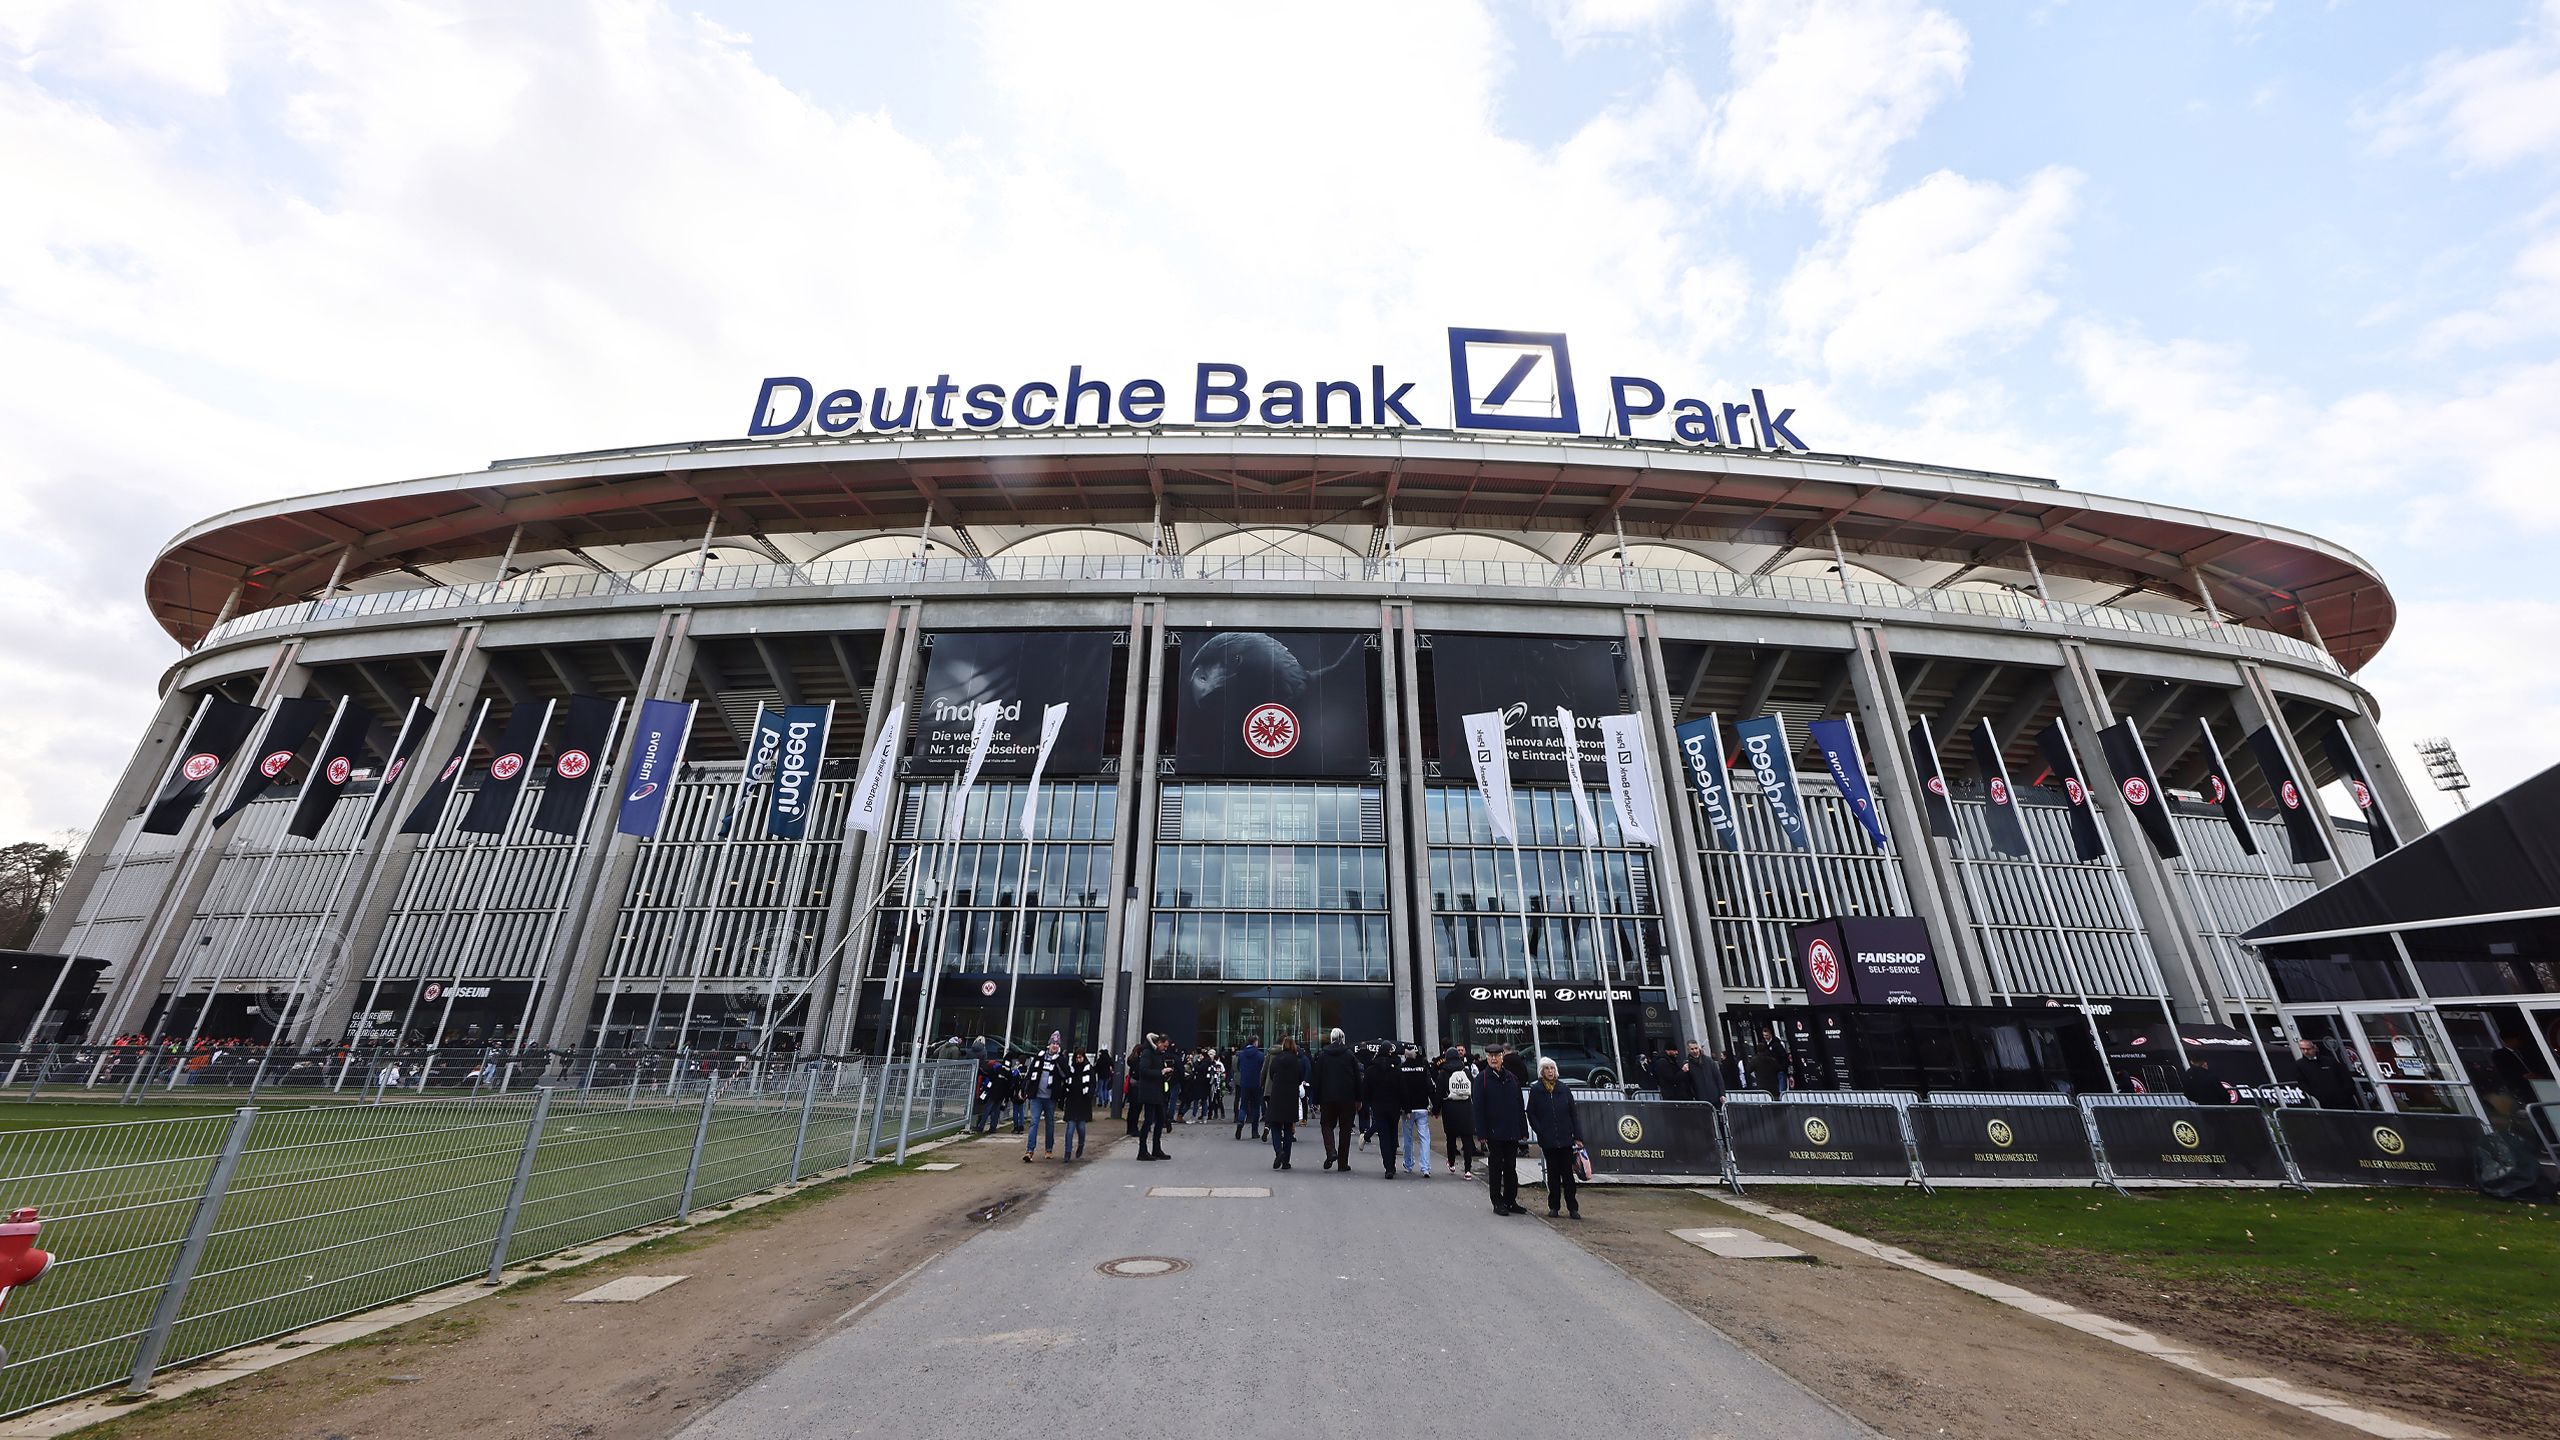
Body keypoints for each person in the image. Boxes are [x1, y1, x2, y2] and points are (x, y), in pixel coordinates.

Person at [1471, 1044, 1529, 1216]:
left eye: (1497, 1056)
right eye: (1490, 1056)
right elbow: (1478, 1109)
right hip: (1493, 1132)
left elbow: (1519, 1105)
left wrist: (1523, 1129)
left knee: (1511, 1166)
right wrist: (1481, 1133)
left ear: (1502, 1057)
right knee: (1496, 1167)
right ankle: (1497, 1201)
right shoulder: (1482, 1079)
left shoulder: (1511, 1078)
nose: (1494, 1059)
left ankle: (1511, 1200)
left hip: (1511, 1131)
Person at [1526, 1056, 1584, 1219]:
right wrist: (1540, 1130)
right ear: (1542, 1071)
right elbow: (1531, 1113)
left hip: (1565, 1138)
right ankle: (1554, 1206)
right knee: (1553, 1175)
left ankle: (1573, 1207)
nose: (1550, 1071)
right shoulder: (1537, 1090)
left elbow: (1573, 1113)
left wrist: (1578, 1136)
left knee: (1568, 1175)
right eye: (1547, 1068)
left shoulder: (1564, 1089)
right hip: (1548, 1139)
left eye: (1552, 1068)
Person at [1311, 1028, 1362, 1171]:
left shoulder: (1323, 1056)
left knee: (1326, 1125)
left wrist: (1316, 1099)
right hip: (1347, 1097)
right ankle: (1342, 1163)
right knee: (1345, 1129)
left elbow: (1317, 1078)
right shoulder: (1349, 1055)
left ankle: (1331, 1151)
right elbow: (1357, 1079)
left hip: (1327, 1097)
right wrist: (1359, 1098)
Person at [1263, 1035, 1306, 1170]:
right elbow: (1300, 1077)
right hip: (1291, 1096)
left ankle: (1279, 1151)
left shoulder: (1277, 1059)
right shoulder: (1296, 1061)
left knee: (1275, 1125)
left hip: (1277, 1095)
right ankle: (1286, 1161)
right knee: (1288, 1128)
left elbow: (1271, 1074)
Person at [1361, 1042, 1403, 1178]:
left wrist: (1368, 1103)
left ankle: (1388, 1167)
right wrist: (1404, 1105)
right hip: (1394, 1107)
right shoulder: (1396, 1069)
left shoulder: (1371, 1070)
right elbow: (1402, 1088)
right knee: (1393, 1135)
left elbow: (1365, 1090)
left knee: (1384, 1137)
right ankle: (1393, 1163)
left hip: (1378, 1107)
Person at [1131, 1033, 1175, 1160]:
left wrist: (1165, 1073)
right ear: (1159, 1043)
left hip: (1157, 1091)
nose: (1165, 1049)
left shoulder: (1158, 1054)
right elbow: (1143, 1070)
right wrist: (1161, 1072)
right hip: (1149, 1092)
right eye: (1164, 1046)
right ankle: (1142, 1150)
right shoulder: (1147, 1053)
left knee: (1160, 1120)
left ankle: (1156, 1148)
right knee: (1148, 1121)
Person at [1438, 1045, 1479, 1179]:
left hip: (1450, 1108)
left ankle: (1451, 1163)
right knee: (1467, 1139)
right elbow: (1473, 1089)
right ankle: (1467, 1170)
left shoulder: (1443, 1073)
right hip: (1466, 1107)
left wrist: (1436, 1110)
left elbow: (1439, 1092)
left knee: (1450, 1137)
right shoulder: (1466, 1071)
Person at [1021, 1034, 1064, 1162]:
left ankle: (1049, 1149)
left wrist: (1058, 1062)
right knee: (1034, 1122)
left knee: (1049, 1123)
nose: (1055, 1046)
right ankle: (1030, 1150)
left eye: (1057, 1044)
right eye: (1053, 1043)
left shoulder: (1060, 1059)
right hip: (1037, 1096)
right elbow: (1030, 1073)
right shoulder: (1039, 1057)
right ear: (1049, 1045)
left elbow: (1065, 1074)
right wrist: (1024, 1088)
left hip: (1050, 1097)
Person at [1396, 1043, 1434, 1177]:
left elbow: (1400, 1090)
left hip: (1407, 1109)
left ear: (1405, 1055)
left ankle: (1408, 1164)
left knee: (1408, 1138)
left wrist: (1402, 1106)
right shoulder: (1423, 1069)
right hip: (1422, 1107)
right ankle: (1425, 1167)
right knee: (1425, 1138)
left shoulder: (1401, 1069)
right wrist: (1435, 1105)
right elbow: (1430, 1087)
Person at [2289, 1038, 2356, 1109]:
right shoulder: (2300, 1065)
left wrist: (2347, 1092)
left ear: (2314, 1048)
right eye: (2302, 1049)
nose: (2306, 1051)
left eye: (2308, 1049)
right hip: (2326, 1102)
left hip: (2345, 1100)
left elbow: (2345, 1077)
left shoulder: (2329, 1061)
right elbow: (2302, 1083)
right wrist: (2318, 1095)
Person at [1057, 1046, 1096, 1161]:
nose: (1078, 1060)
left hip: (1083, 1101)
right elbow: (1066, 1084)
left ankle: (1081, 1145)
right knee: (1070, 1129)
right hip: (1072, 1101)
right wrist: (1062, 1098)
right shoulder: (1071, 1069)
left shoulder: (1089, 1068)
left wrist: (1089, 1095)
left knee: (1081, 1128)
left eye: (1080, 1057)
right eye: (1077, 1057)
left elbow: (1093, 1083)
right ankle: (1067, 1152)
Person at [1233, 1037, 1266, 1140]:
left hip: (1244, 1083)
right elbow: (1263, 1068)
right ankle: (1254, 1131)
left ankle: (1240, 1121)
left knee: (1243, 1105)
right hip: (1256, 1083)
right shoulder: (1260, 1055)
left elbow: (1238, 1067)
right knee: (1256, 1107)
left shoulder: (1241, 1055)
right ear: (1255, 1042)